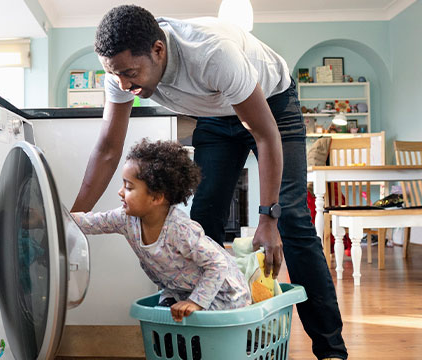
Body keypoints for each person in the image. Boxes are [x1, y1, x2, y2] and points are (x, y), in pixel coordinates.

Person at [70, 5, 347, 359]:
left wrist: (267, 219)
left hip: (272, 105)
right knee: (202, 220)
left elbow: (265, 136)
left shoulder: (212, 54)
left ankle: (331, 350)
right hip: (215, 116)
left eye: (130, 73)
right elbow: (109, 149)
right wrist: (71, 222)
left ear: (158, 50)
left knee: (292, 219)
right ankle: (208, 344)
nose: (124, 85)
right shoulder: (121, 72)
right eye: (115, 74)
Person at [71, 139, 252, 322]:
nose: (120, 192)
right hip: (181, 290)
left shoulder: (180, 230)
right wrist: (53, 217)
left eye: (128, 187)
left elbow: (218, 264)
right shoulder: (125, 219)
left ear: (156, 197)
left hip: (223, 295)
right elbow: (90, 222)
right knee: (164, 322)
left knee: (198, 333)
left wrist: (195, 302)